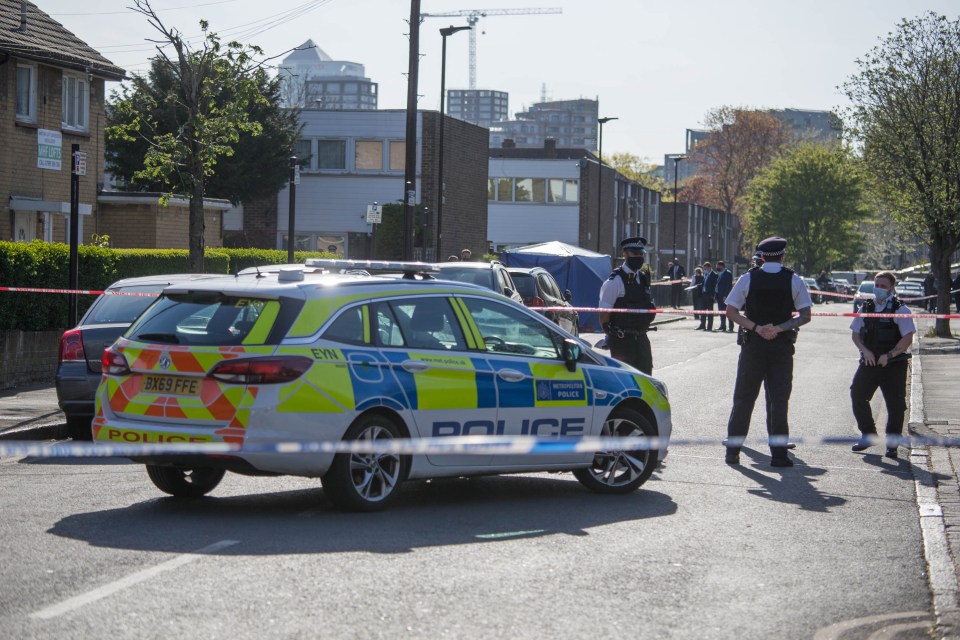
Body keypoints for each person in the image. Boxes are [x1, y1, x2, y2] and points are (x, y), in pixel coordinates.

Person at [722, 236, 813, 467]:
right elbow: (805, 316)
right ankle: (779, 455)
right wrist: (779, 328)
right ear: (783, 256)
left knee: (743, 398)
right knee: (779, 400)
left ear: (761, 257)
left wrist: (757, 327)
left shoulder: (747, 278)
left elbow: (731, 312)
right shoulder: (793, 280)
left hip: (753, 344)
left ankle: (733, 451)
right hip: (781, 346)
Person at [850, 271, 917, 459]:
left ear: (891, 288)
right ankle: (868, 434)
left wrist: (890, 354)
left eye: (883, 286)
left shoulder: (900, 309)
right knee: (857, 395)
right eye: (876, 285)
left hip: (893, 364)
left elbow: (907, 337)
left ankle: (892, 444)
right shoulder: (867, 307)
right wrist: (865, 351)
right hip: (870, 361)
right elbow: (855, 334)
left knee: (895, 405)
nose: (879, 289)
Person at [599, 237, 656, 375]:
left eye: (641, 254)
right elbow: (604, 314)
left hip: (642, 339)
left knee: (646, 378)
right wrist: (610, 335)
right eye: (635, 254)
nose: (639, 257)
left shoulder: (642, 279)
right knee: (626, 381)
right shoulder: (614, 281)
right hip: (623, 342)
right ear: (625, 254)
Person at [698, 261, 717, 331]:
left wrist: (713, 295)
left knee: (710, 312)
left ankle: (709, 326)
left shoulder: (714, 275)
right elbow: (703, 284)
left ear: (709, 267)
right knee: (702, 310)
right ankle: (702, 325)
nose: (704, 270)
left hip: (709, 295)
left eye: (705, 268)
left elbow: (715, 286)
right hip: (704, 294)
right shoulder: (705, 275)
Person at [715, 260, 734, 333]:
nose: (717, 267)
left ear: (721, 266)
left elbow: (728, 285)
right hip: (719, 295)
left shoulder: (728, 273)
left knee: (727, 311)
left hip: (725, 296)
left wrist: (725, 295)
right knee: (721, 311)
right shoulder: (720, 274)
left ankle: (731, 327)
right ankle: (723, 326)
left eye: (718, 266)